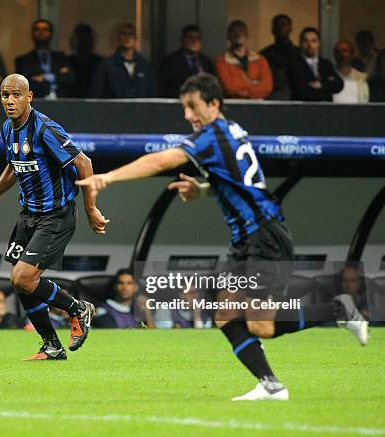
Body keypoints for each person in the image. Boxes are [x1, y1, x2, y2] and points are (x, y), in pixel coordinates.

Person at [77, 73, 369, 401]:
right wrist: (201, 190)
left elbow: (163, 159)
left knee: (261, 326)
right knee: (225, 313)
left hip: (264, 235)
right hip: (247, 239)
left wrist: (109, 178)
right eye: (184, 108)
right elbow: (238, 183)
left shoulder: (212, 135)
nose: (187, 115)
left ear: (214, 104)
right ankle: (271, 386)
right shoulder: (231, 130)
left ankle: (336, 311)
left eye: (193, 107)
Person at [0, 73, 109, 360]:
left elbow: (84, 163)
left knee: (24, 276)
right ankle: (52, 346)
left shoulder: (45, 129)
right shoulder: (8, 129)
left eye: (16, 94)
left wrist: (91, 208)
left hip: (56, 215)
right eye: (5, 95)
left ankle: (77, 308)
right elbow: (13, 167)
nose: (10, 100)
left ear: (29, 97)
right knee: (18, 280)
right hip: (29, 215)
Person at [89, 23, 157, 98]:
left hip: (140, 109)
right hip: (115, 109)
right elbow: (96, 95)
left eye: (130, 34)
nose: (127, 37)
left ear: (136, 38)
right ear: (118, 38)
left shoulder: (145, 66)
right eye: (123, 34)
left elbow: (152, 94)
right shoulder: (106, 66)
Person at [14, 19, 73, 98]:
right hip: (36, 102)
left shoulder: (61, 58)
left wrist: (44, 77)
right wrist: (57, 76)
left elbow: (70, 78)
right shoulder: (23, 60)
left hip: (62, 102)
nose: (41, 32)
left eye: (45, 29)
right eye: (37, 29)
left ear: (51, 34)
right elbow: (24, 84)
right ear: (32, 34)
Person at [215, 20, 273, 99]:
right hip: (234, 105)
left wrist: (245, 91)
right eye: (233, 31)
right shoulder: (222, 61)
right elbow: (229, 87)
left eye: (241, 31)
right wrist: (254, 84)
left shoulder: (260, 60)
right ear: (228, 36)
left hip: (258, 105)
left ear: (247, 35)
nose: (237, 34)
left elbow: (267, 86)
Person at [158, 25, 215, 98]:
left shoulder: (207, 62)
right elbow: (165, 88)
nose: (194, 41)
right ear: (183, 39)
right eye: (190, 37)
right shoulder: (170, 62)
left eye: (197, 38)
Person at [288, 27, 343, 101]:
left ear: (319, 43)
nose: (309, 44)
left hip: (325, 109)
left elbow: (339, 85)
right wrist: (327, 84)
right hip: (303, 109)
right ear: (300, 43)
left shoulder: (326, 63)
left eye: (313, 41)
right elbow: (300, 91)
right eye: (305, 41)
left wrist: (319, 84)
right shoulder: (293, 64)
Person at [260, 14, 300, 100]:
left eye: (284, 24)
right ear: (272, 30)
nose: (280, 28)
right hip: (275, 94)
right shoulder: (265, 55)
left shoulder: (299, 53)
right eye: (277, 25)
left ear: (290, 29)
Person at [66, 23, 102, 98]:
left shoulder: (100, 63)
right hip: (69, 103)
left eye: (85, 38)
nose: (82, 42)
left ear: (91, 40)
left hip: (94, 104)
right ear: (73, 41)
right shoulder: (65, 62)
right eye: (79, 38)